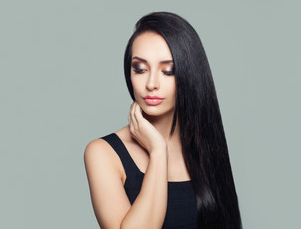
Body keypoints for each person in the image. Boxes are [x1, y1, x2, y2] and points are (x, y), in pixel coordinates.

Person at [84, 12, 242, 229]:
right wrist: (158, 152)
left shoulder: (204, 146)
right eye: (140, 69)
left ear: (189, 75)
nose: (151, 83)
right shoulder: (103, 153)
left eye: (168, 71)